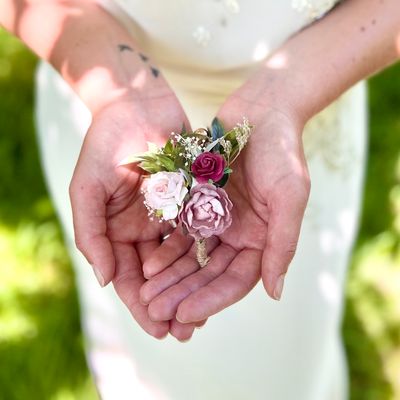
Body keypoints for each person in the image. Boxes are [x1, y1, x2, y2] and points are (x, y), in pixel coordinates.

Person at [1, 0, 399, 398]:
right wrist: (112, 91)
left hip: (310, 88)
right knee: (135, 340)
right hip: (106, 107)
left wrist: (287, 92)